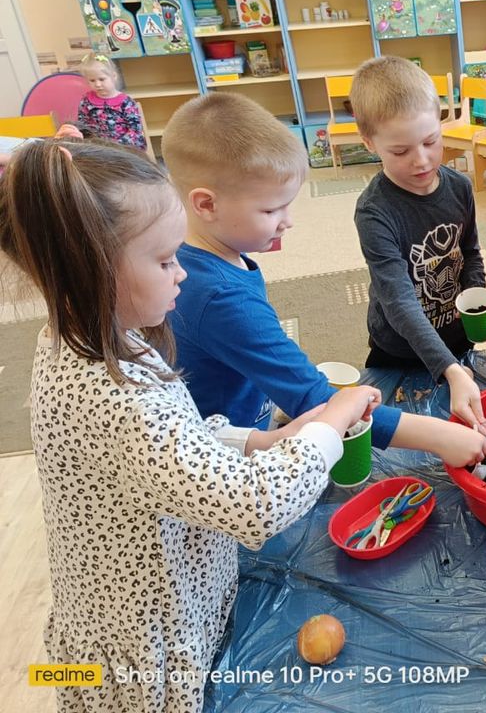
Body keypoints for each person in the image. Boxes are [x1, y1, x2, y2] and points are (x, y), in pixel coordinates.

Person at [0, 139, 372, 711]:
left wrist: (257, 440)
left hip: (176, 591)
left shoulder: (90, 338)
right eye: (165, 259)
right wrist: (335, 418)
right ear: (92, 267)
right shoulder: (111, 392)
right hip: (146, 643)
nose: (182, 274)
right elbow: (254, 505)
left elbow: (177, 437)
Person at [162, 93, 486, 468]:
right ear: (206, 205)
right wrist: (442, 436)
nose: (288, 221)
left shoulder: (208, 258)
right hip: (220, 461)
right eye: (271, 209)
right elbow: (315, 399)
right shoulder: (221, 297)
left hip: (240, 427)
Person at [351, 56, 486, 429]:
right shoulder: (374, 213)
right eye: (400, 151)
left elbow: (469, 253)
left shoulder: (460, 187)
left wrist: (476, 300)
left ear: (441, 120)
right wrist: (447, 367)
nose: (421, 160)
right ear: (369, 142)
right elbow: (398, 302)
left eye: (431, 141)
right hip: (398, 351)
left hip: (457, 339)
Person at [76, 53, 147, 151]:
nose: (97, 84)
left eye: (102, 79)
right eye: (92, 80)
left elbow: (135, 130)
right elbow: (82, 124)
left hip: (126, 147)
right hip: (99, 147)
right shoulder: (86, 101)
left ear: (113, 76)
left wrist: (118, 146)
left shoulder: (125, 102)